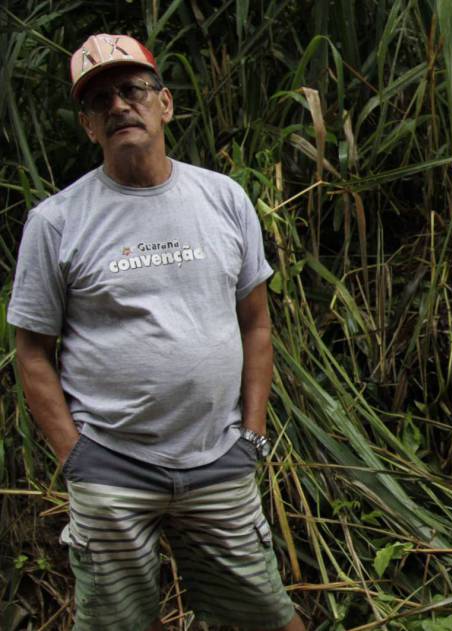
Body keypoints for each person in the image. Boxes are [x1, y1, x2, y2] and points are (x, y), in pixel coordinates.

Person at [8, 33, 305, 630]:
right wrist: (77, 458)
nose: (118, 106)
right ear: (89, 126)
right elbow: (31, 352)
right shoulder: (56, 221)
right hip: (112, 469)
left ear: (163, 103)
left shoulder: (223, 198)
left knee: (268, 618)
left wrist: (252, 435)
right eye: (99, 101)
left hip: (218, 458)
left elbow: (257, 323)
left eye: (131, 90)